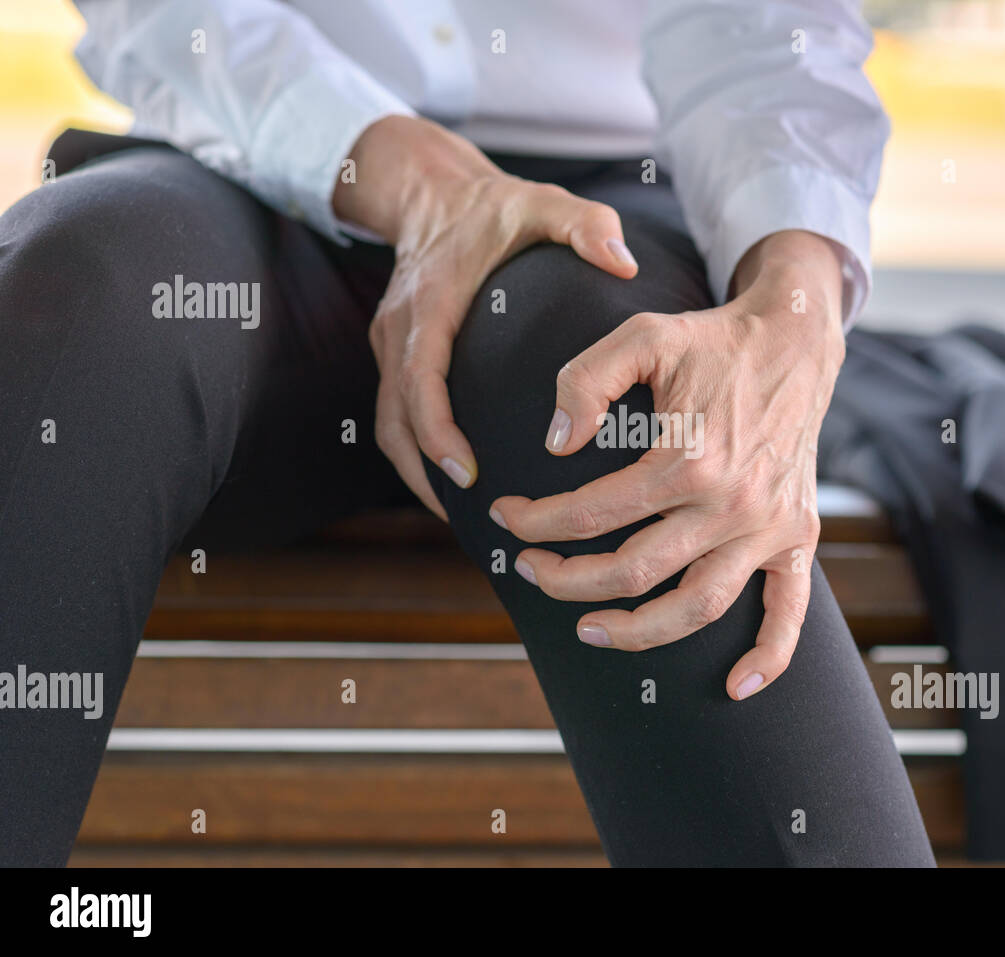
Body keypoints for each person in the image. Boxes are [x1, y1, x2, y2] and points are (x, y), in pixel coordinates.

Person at [0, 0, 934, 866]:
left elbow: (766, 26)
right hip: (246, 148)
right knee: (71, 304)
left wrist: (793, 316)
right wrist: (421, 186)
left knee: (614, 389)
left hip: (600, 200)